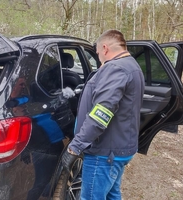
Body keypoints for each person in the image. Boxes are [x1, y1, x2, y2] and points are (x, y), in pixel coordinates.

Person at [62, 29, 145, 200]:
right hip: (119, 149)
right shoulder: (132, 66)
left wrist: (75, 146)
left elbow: (101, 114)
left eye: (98, 53)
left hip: (104, 153)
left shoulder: (115, 68)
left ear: (105, 48)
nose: (99, 58)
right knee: (112, 194)